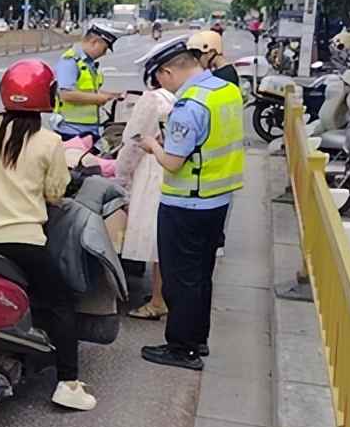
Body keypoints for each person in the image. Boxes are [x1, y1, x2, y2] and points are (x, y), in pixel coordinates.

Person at [0, 59, 95, 411]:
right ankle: (67, 383)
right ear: (48, 96)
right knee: (62, 302)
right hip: (22, 242)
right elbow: (55, 193)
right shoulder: (49, 141)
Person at [137, 38, 245, 371]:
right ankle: (198, 339)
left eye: (160, 78)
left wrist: (151, 144)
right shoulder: (225, 90)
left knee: (179, 278)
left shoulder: (189, 105)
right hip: (218, 199)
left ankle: (182, 348)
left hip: (186, 203)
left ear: (169, 71)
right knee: (200, 275)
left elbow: (172, 161)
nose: (161, 86)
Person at [116, 81, 176, 321]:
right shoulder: (186, 96)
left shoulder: (152, 100)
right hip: (174, 171)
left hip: (153, 171)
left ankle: (158, 300)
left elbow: (133, 142)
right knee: (166, 240)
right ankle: (163, 296)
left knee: (156, 240)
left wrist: (121, 177)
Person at [53, 20, 126, 142]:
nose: (104, 54)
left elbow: (91, 91)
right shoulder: (70, 61)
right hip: (71, 131)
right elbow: (66, 94)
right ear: (94, 42)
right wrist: (100, 99)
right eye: (104, 49)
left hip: (89, 131)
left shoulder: (88, 63)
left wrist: (113, 96)